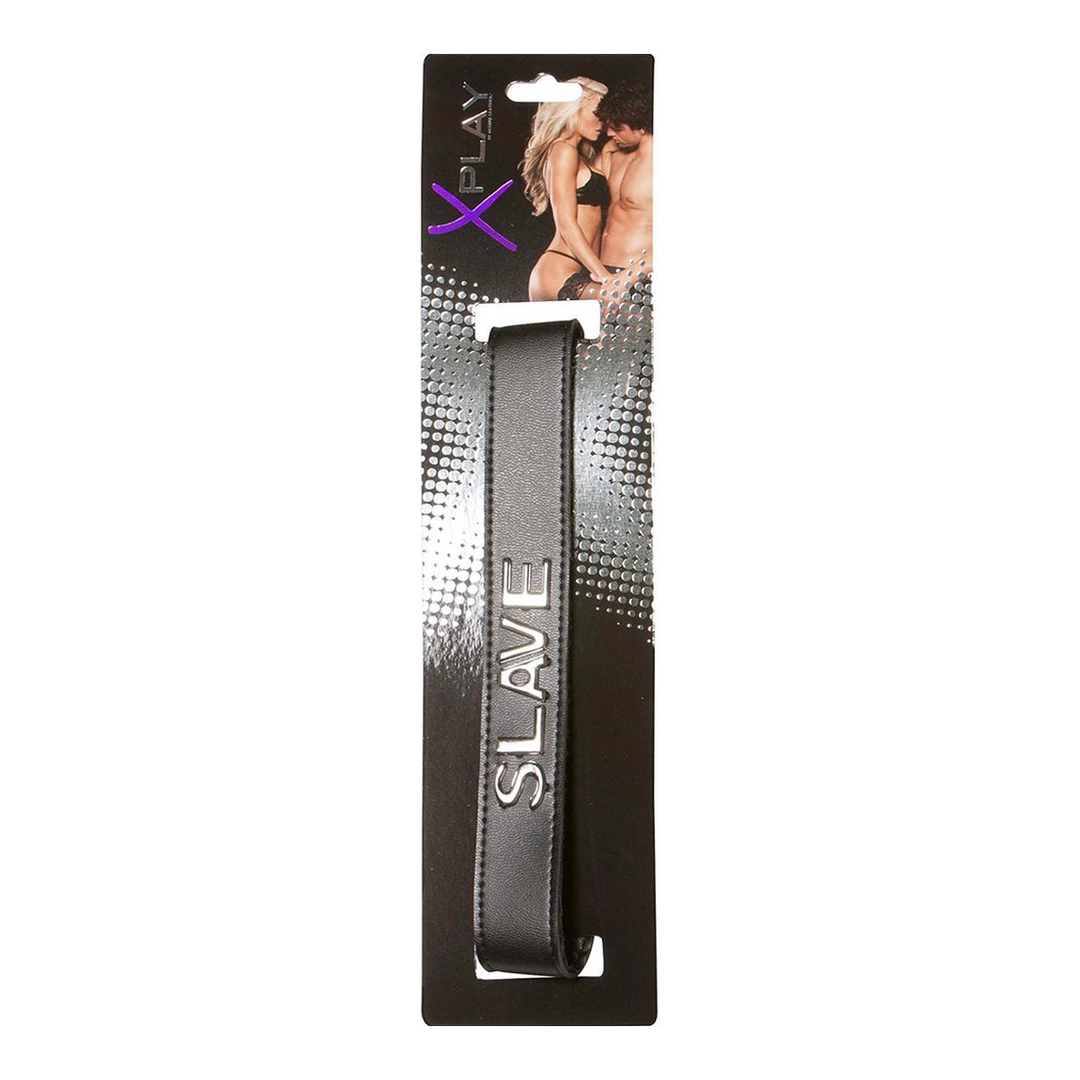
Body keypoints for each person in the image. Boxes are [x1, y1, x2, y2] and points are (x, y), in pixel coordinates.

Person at [559, 80, 653, 305]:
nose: (609, 133)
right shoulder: (612, 152)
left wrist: (626, 279)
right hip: (601, 273)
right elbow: (582, 185)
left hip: (635, 277)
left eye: (617, 128)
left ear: (641, 126)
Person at [522, 77, 611, 301]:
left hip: (566, 272)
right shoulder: (563, 150)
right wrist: (604, 276)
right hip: (559, 272)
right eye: (596, 113)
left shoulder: (578, 156)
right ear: (573, 109)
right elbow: (566, 224)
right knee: (630, 312)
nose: (602, 122)